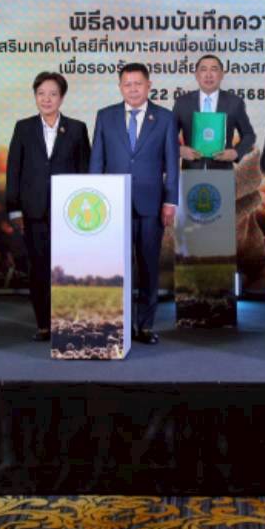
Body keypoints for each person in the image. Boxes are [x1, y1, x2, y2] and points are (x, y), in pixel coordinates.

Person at [90, 62, 180, 345]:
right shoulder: (105, 116)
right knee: (117, 267)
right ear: (120, 87)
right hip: (113, 206)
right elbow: (97, 162)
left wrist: (170, 201)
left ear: (148, 86)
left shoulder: (165, 118)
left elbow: (172, 164)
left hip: (151, 205)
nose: (132, 89)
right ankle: (119, 322)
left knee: (148, 266)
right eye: (127, 84)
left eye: (138, 84)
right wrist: (95, 201)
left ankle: (144, 326)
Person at [6, 72, 91, 341]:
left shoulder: (77, 129)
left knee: (68, 270)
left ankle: (67, 322)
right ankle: (44, 324)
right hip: (34, 212)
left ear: (62, 97)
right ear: (35, 96)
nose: (46, 99)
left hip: (69, 214)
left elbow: (85, 172)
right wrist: (14, 209)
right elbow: (13, 171)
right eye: (41, 93)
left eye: (53, 94)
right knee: (40, 269)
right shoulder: (23, 128)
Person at [173, 54, 257, 170]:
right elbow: (169, 135)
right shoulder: (182, 102)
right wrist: (179, 150)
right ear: (196, 75)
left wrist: (235, 153)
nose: (208, 75)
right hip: (190, 170)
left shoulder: (235, 102)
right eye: (203, 70)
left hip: (222, 171)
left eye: (214, 69)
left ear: (222, 74)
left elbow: (249, 135)